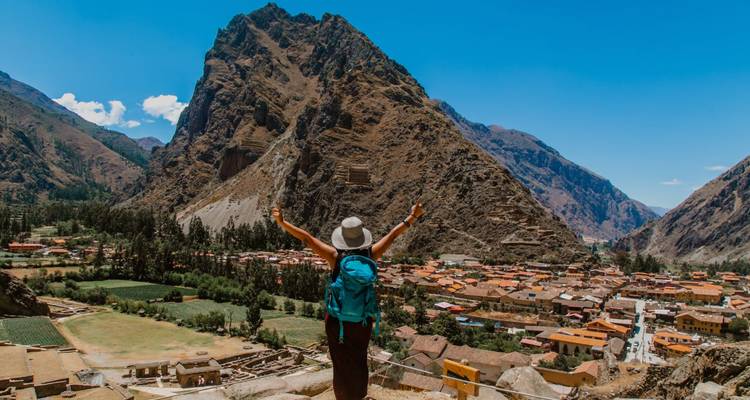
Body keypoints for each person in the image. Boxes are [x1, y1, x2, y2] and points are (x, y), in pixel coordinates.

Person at [272, 202, 424, 400]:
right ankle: (359, 396)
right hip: (362, 320)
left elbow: (306, 238)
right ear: (362, 236)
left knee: (340, 364)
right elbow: (394, 235)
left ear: (342, 238)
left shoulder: (335, 257)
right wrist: (412, 217)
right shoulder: (371, 254)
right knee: (359, 360)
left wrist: (282, 222)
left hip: (337, 321)